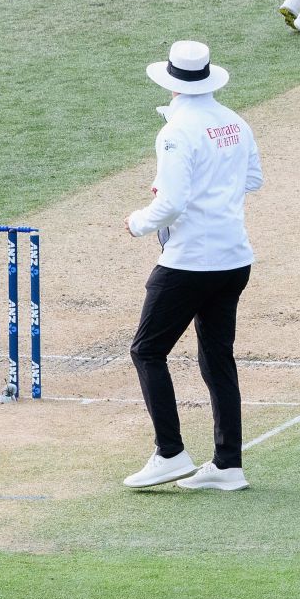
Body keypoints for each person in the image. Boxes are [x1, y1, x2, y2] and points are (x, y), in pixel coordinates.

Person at [121, 42, 265, 492]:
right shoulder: (235, 122)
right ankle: (227, 465)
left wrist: (137, 223)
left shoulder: (176, 131)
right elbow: (252, 179)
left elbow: (172, 203)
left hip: (189, 262)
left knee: (147, 351)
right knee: (218, 357)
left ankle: (170, 453)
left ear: (170, 83)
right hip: (233, 258)